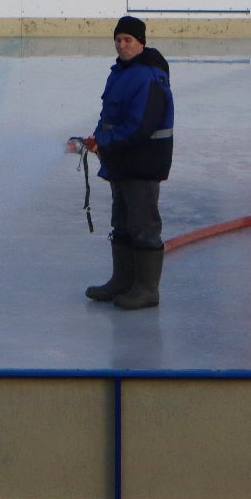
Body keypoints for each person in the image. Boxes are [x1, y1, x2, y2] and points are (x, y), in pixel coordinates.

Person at [84, 16, 173, 309]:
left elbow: (140, 125)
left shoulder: (148, 76)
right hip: (122, 161)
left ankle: (147, 289)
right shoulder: (120, 73)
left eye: (128, 40)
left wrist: (105, 143)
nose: (122, 45)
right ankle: (121, 281)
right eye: (118, 40)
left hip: (143, 164)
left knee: (143, 223)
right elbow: (109, 115)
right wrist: (97, 138)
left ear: (141, 43)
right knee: (121, 221)